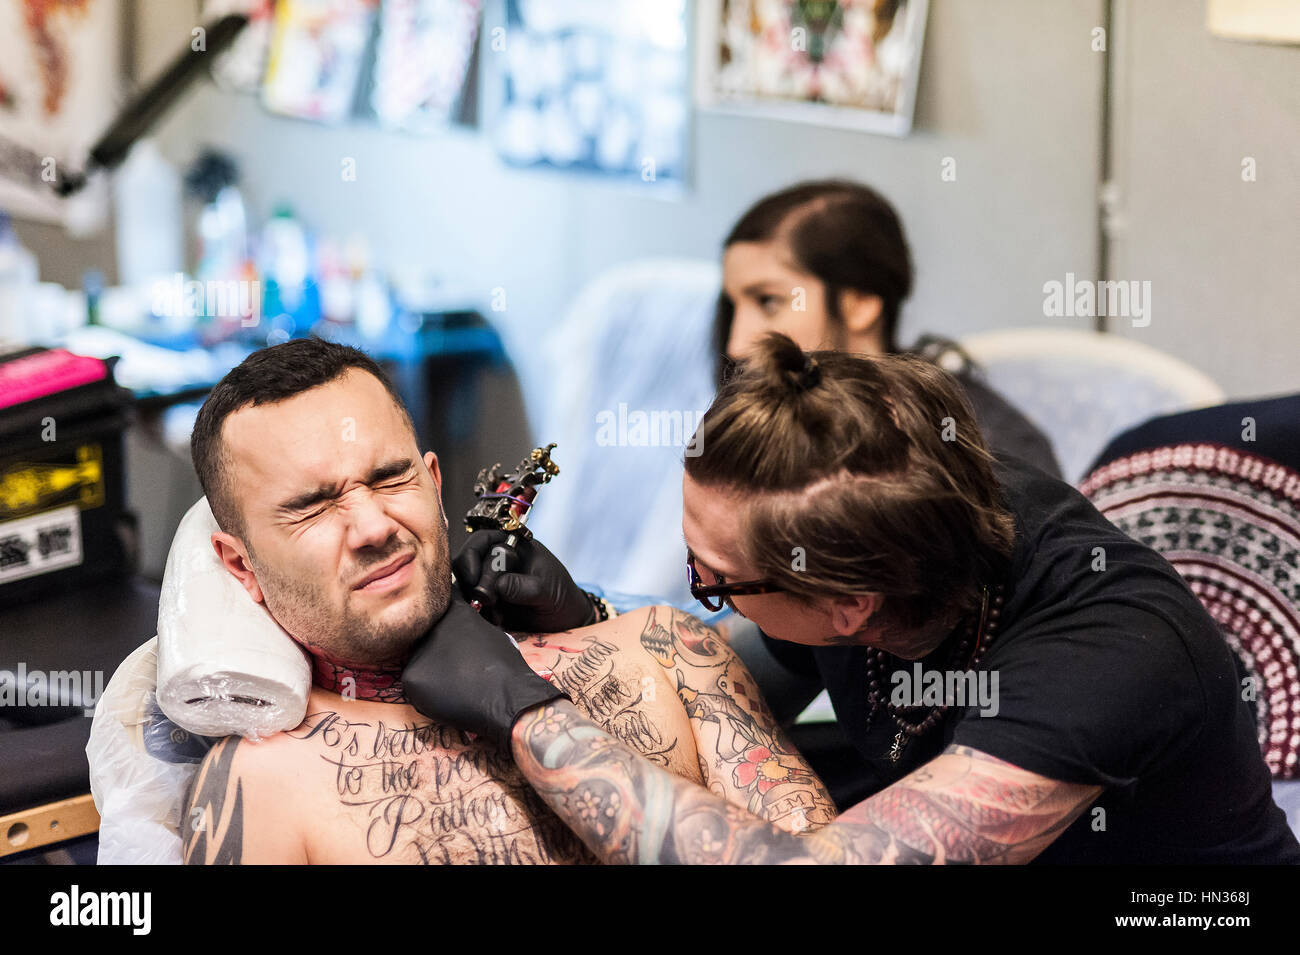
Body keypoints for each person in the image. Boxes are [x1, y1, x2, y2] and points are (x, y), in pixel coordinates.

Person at [404, 333, 1300, 864]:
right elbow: (733, 685)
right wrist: (586, 619)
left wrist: (533, 716)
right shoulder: (877, 513)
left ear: (851, 608)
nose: (699, 591)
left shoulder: (1110, 657)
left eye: (712, 578)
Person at [179, 339, 834, 864]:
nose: (374, 527)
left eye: (390, 477)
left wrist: (553, 671)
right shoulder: (261, 788)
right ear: (241, 565)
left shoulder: (662, 649)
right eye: (314, 507)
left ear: (434, 483)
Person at [714, 179, 1062, 478]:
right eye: (733, 305)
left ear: (861, 303)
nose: (737, 344)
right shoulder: (761, 423)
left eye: (768, 302)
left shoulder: (983, 449)